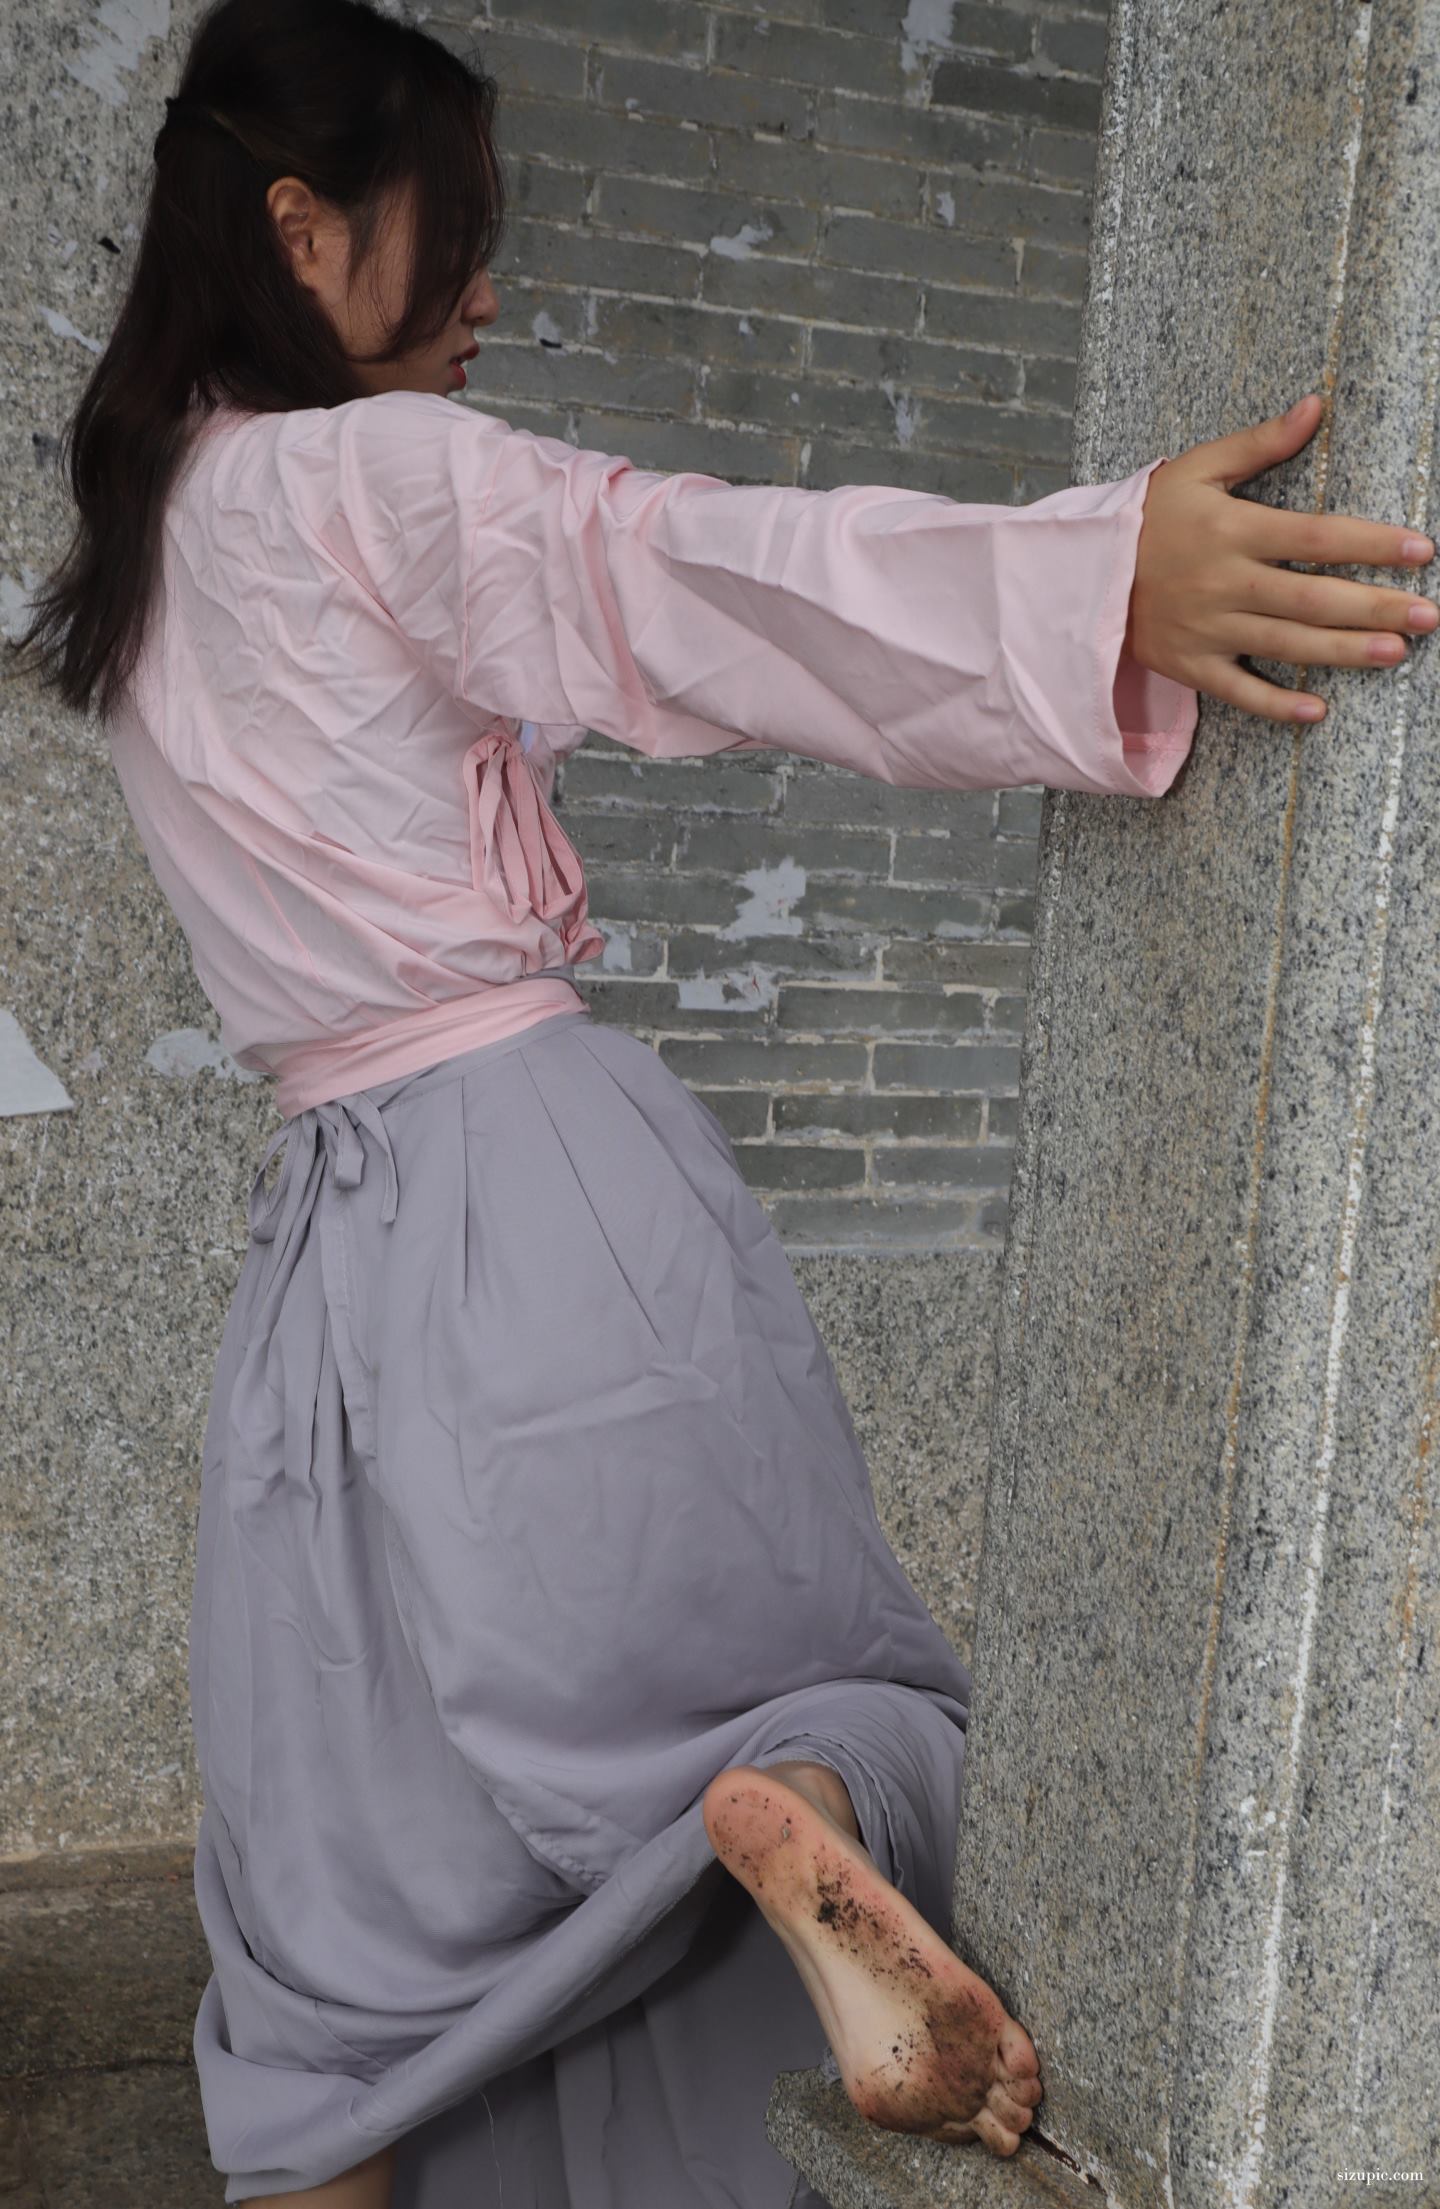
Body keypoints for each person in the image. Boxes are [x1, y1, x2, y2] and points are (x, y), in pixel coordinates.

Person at [8, 1, 1435, 2202]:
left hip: (320, 1298)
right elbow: (687, 575)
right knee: (771, 1694)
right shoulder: (378, 480)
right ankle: (809, 1826)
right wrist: (1096, 589)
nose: (493, 286)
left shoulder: (143, 543)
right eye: (458, 225)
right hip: (537, 1198)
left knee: (331, 1938)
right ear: (302, 229)